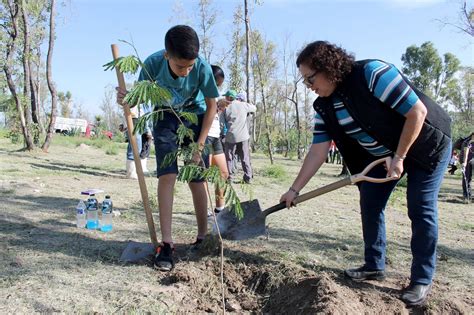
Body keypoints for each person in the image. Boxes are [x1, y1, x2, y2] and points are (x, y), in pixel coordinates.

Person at [280, 41, 451, 307]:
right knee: (370, 203)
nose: (309, 86)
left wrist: (400, 156)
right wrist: (294, 190)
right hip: (380, 156)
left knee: (420, 205)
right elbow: (318, 150)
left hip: (426, 145)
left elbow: (417, 112)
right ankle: (374, 264)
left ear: (329, 68)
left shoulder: (372, 73)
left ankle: (421, 279)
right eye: (305, 81)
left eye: (310, 78)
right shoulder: (324, 106)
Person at [117, 25, 219, 272]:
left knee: (196, 178)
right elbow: (138, 98)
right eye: (180, 67)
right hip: (164, 117)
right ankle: (167, 243)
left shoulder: (202, 68)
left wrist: (200, 144)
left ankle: (202, 236)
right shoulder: (152, 64)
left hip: (195, 118)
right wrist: (126, 99)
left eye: (190, 67)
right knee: (168, 175)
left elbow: (212, 106)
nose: (186, 72)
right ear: (167, 56)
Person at [206, 65, 229, 214]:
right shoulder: (201, 92)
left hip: (215, 136)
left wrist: (219, 108)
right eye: (217, 83)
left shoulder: (215, 95)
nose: (218, 87)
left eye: (220, 85)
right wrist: (216, 106)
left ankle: (220, 209)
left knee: (223, 173)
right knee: (203, 176)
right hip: (204, 136)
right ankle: (203, 209)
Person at [222, 89, 256, 184]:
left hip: (230, 136)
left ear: (229, 97)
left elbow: (221, 124)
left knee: (229, 158)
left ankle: (229, 177)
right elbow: (254, 108)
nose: (225, 98)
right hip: (243, 136)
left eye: (226, 97)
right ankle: (248, 177)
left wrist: (222, 135)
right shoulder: (244, 105)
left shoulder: (226, 108)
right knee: (245, 157)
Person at [460, 133, 474, 201]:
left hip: (472, 160)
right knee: (467, 178)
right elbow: (466, 153)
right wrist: (464, 162)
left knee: (469, 178)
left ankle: (469, 194)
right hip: (466, 161)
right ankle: (466, 195)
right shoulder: (467, 142)